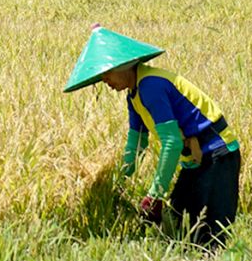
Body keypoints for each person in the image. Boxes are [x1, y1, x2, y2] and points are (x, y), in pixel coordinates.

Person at [64, 24, 241, 249]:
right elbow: (136, 142)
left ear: (124, 65)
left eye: (107, 73)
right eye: (101, 77)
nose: (105, 82)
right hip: (195, 160)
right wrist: (119, 178)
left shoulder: (151, 86)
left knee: (211, 234)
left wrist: (155, 194)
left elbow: (171, 142)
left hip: (217, 154)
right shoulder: (133, 96)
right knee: (179, 219)